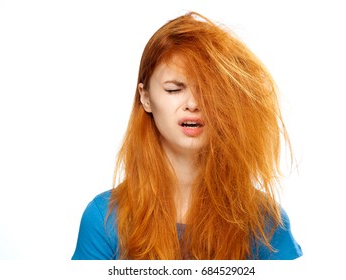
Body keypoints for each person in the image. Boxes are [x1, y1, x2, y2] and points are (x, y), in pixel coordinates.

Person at [72, 11, 303, 260]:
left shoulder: (264, 222)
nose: (193, 104)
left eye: (208, 91)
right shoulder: (104, 218)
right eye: (174, 89)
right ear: (146, 97)